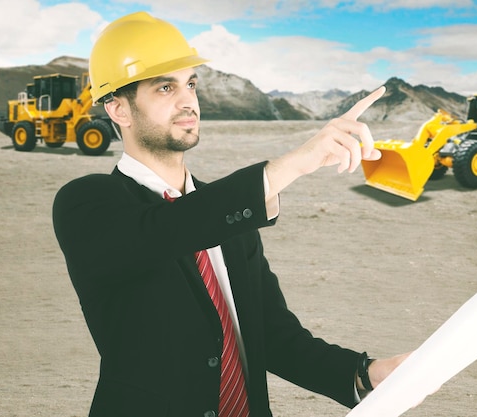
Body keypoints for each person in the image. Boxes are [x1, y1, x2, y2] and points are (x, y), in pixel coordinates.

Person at [53, 11, 409, 417]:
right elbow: (166, 230)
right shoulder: (88, 204)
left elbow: (271, 336)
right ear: (119, 110)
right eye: (165, 87)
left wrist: (368, 374)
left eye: (190, 84)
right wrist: (294, 163)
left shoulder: (230, 214)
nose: (188, 101)